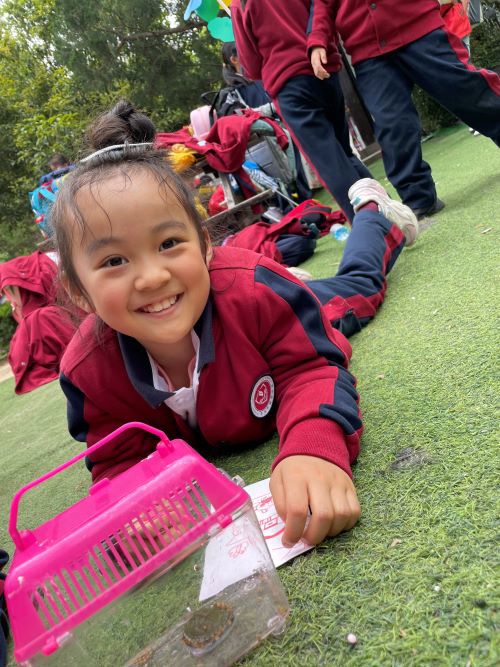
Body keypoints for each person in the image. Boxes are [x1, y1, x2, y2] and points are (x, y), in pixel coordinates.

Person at [53, 101, 418, 548]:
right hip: (232, 292)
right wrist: (138, 507)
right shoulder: (89, 373)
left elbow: (311, 370)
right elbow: (117, 459)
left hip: (269, 301)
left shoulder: (256, 295)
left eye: (169, 243)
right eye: (114, 261)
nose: (151, 277)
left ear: (205, 245)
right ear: (77, 291)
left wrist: (313, 444)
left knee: (359, 288)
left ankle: (374, 216)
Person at [308, 0, 500, 219]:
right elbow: (322, 3)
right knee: (391, 123)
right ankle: (418, 197)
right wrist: (318, 40)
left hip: (418, 25)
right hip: (368, 49)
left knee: (466, 88)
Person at [231, 0, 373, 223]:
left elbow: (251, 64)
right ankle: (386, 212)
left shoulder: (239, 5)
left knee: (329, 161)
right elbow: (323, 11)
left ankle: (372, 225)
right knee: (344, 152)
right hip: (325, 69)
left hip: (288, 81)